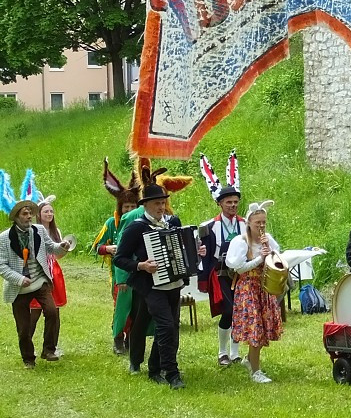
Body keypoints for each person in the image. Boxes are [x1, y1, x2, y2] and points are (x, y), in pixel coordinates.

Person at [114, 174, 204, 389]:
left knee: (171, 325)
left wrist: (197, 252)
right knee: (165, 326)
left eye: (163, 203)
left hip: (173, 283)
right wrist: (142, 266)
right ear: (145, 205)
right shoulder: (136, 227)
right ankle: (172, 374)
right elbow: (120, 258)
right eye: (157, 203)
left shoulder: (173, 223)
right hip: (151, 284)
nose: (161, 207)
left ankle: (154, 368)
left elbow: (186, 249)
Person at [0, 198, 72, 368]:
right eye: (25, 214)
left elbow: (51, 248)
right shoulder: (4, 238)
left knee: (52, 312)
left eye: (30, 213)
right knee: (24, 328)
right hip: (19, 287)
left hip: (40, 282)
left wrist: (62, 245)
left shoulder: (38, 230)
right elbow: (1, 265)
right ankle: (28, 359)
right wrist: (19, 279)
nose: (29, 217)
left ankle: (49, 350)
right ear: (16, 217)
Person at [225, 201, 282, 384]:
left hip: (263, 288)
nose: (261, 226)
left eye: (264, 222)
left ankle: (250, 360)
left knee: (262, 328)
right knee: (255, 328)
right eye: (258, 223)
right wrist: (260, 258)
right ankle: (256, 371)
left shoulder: (268, 239)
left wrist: (270, 254)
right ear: (249, 222)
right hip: (248, 289)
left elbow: (277, 259)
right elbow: (239, 269)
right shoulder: (241, 242)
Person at [198, 151, 246, 366]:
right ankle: (221, 352)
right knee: (228, 311)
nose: (233, 206)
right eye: (229, 202)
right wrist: (202, 279)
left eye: (235, 202)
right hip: (219, 274)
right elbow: (202, 255)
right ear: (220, 204)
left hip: (241, 273)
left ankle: (235, 353)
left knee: (239, 311)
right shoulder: (209, 227)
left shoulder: (245, 224)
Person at [92, 158, 140, 355]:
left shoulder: (141, 223)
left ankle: (132, 338)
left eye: (132, 206)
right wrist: (108, 249)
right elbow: (96, 247)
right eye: (125, 207)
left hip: (138, 272)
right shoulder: (112, 223)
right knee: (121, 306)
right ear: (120, 207)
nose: (128, 210)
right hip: (118, 273)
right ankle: (118, 337)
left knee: (136, 307)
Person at [29, 196, 68, 352]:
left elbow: (57, 255)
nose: (49, 214)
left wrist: (64, 248)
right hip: (39, 270)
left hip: (54, 271)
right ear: (39, 214)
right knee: (36, 309)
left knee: (55, 309)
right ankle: (26, 343)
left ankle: (52, 346)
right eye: (46, 211)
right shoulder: (33, 230)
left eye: (51, 211)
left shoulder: (55, 231)